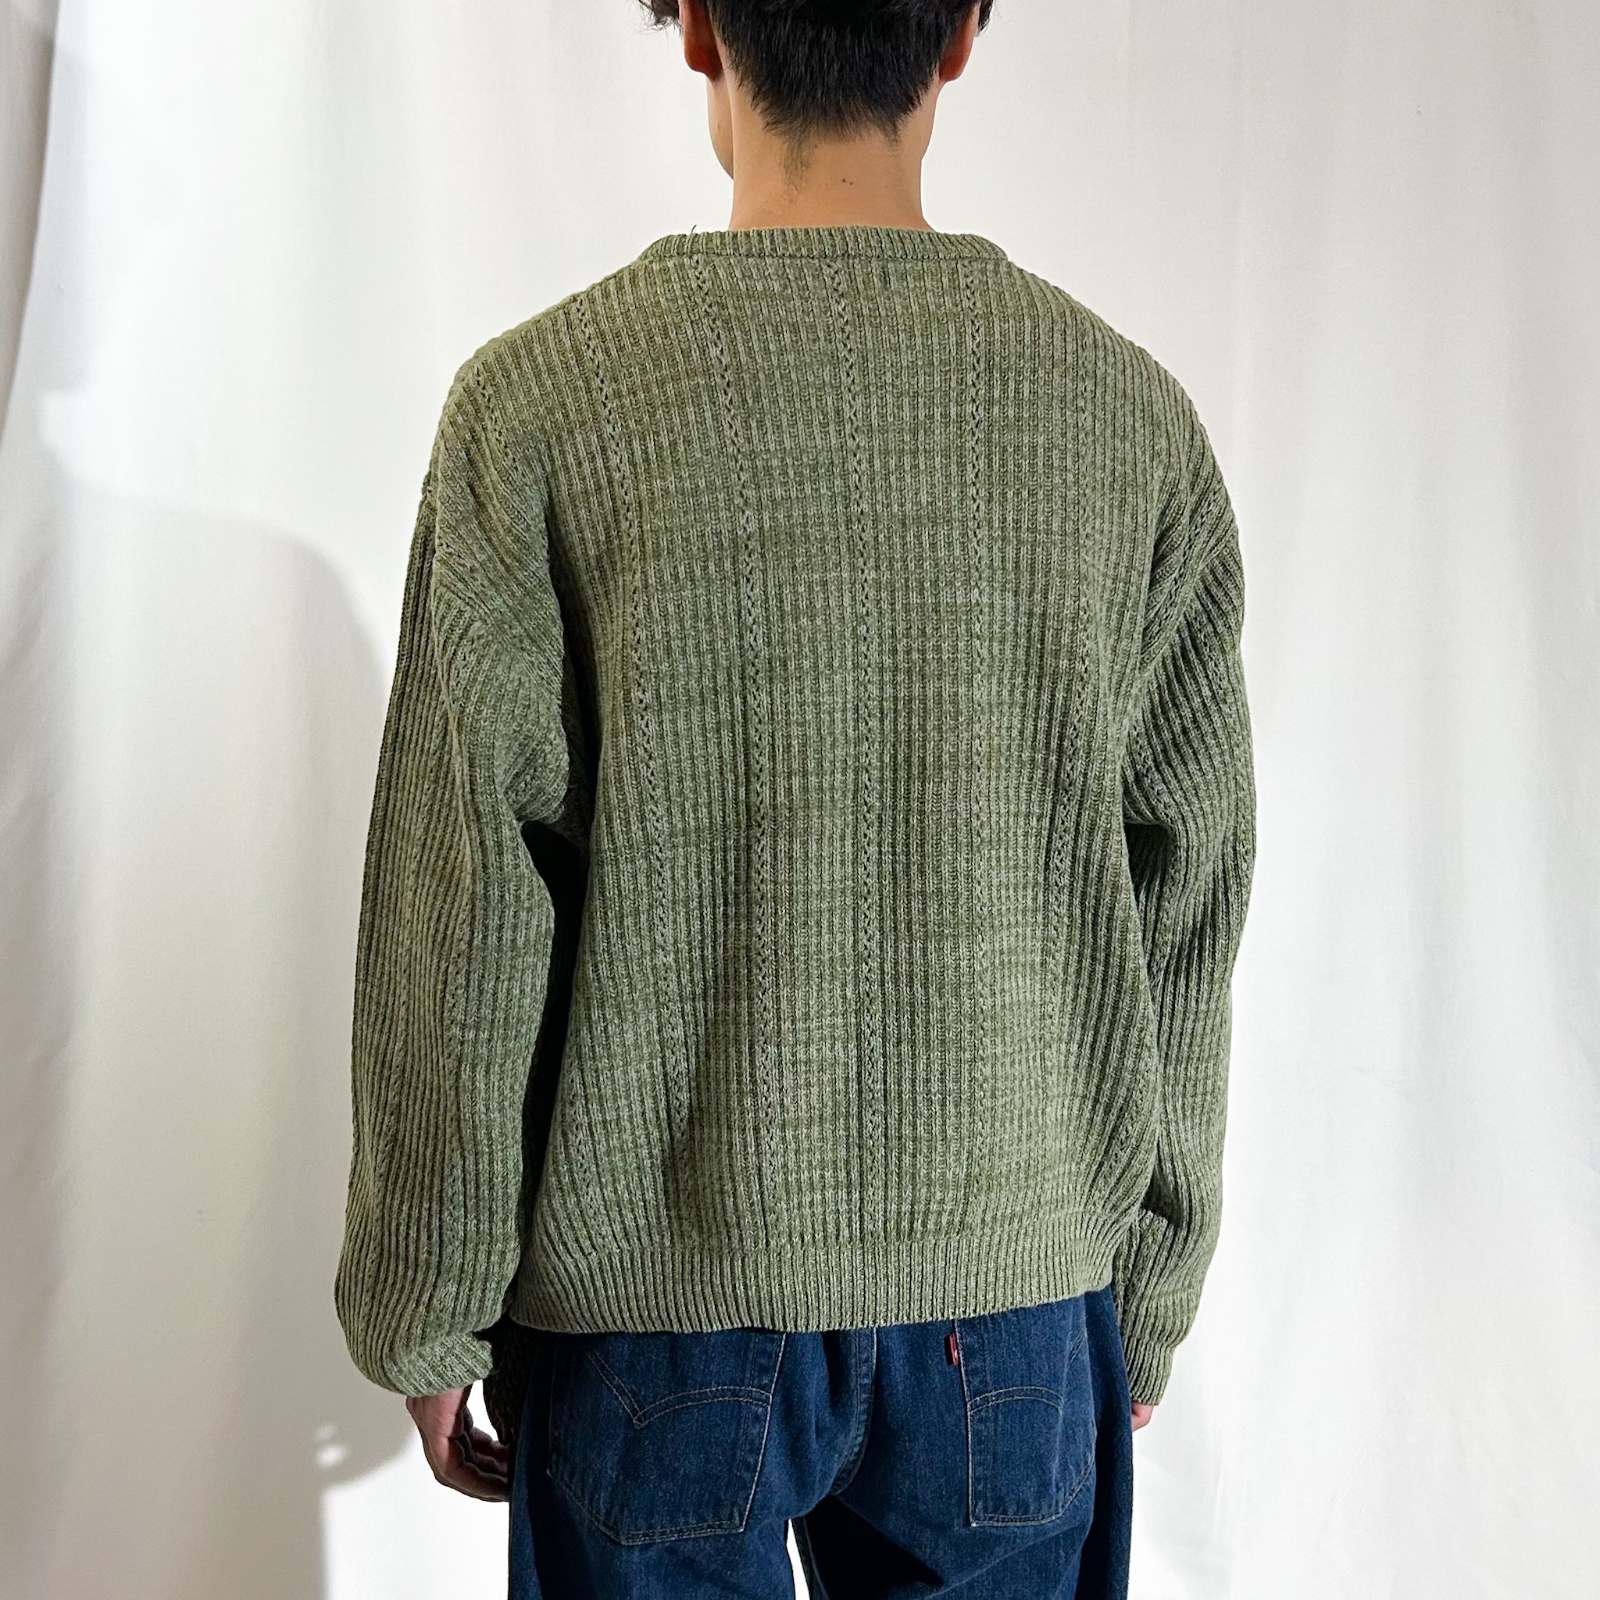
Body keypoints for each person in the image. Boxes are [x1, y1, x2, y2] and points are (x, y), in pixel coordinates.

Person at [333, 1, 1258, 1594]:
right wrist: (1150, 1283)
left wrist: (429, 1298)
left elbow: (464, 909)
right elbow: (1190, 892)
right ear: (961, 34)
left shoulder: (542, 409)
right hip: (1015, 1308)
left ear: (698, 26)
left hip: (650, 1310)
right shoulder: (1125, 422)